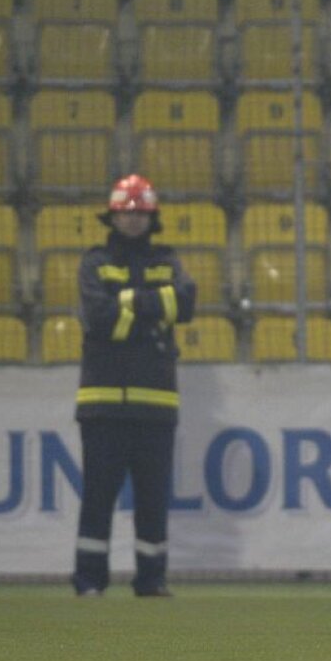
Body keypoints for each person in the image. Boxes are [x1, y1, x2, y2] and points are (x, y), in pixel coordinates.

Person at [71, 174, 197, 597]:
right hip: (102, 405)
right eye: (126, 214)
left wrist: (124, 302)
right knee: (98, 499)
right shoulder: (94, 261)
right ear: (113, 217)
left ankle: (152, 578)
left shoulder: (167, 258)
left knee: (152, 500)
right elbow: (98, 318)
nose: (133, 221)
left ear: (151, 217)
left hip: (156, 405)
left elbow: (187, 303)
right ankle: (89, 581)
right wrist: (152, 307)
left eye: (140, 213)